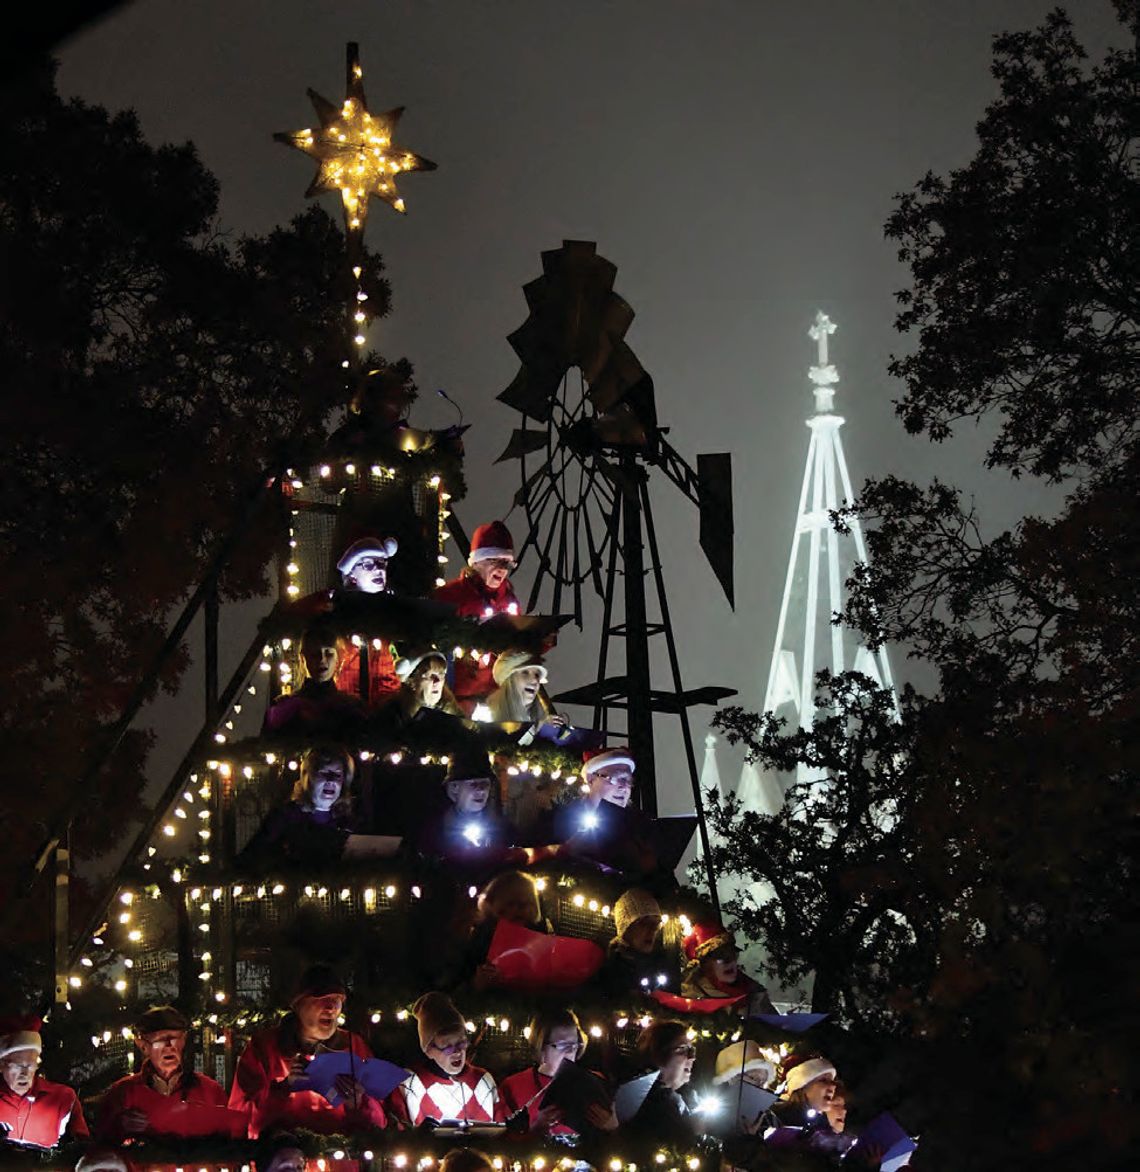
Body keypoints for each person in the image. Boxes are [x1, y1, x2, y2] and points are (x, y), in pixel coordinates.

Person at [228, 964, 389, 1137]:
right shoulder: (264, 1047)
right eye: (321, 998)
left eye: (337, 1000)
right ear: (299, 1005)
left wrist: (358, 1102)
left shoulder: (354, 1047)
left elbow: (379, 1123)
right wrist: (283, 1089)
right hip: (282, 1160)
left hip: (340, 1159)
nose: (331, 1008)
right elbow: (240, 1116)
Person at [96, 1005, 227, 1143]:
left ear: (183, 1041)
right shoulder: (122, 1094)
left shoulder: (210, 1091)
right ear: (143, 1046)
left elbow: (230, 1145)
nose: (169, 1045)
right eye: (159, 1040)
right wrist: (120, 1129)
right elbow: (101, 1149)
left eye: (174, 1038)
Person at [433, 521, 521, 703]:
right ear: (477, 562)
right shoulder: (448, 596)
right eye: (495, 560)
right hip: (455, 700)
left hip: (496, 702)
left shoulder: (510, 601)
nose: (503, 569)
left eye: (507, 563)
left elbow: (518, 651)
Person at [499, 1008, 616, 1140]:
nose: (570, 1052)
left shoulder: (595, 1083)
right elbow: (502, 1143)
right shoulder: (513, 1086)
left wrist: (612, 1127)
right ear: (541, 1047)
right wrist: (536, 1130)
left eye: (574, 1045)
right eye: (562, 1046)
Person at [239, 746, 359, 869]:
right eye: (324, 773)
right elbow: (252, 856)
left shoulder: (347, 820)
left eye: (337, 775)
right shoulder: (285, 816)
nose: (331, 780)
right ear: (307, 776)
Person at [388, 993, 500, 1125]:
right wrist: (417, 1137)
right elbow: (396, 1133)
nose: (457, 1051)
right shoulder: (408, 1083)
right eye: (447, 1046)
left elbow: (501, 1129)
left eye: (461, 1042)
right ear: (429, 1050)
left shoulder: (484, 1080)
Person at [550, 748, 658, 874]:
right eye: (615, 778)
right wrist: (569, 850)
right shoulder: (562, 819)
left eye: (628, 781)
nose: (624, 787)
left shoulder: (641, 826)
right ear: (591, 780)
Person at [0, 1016, 88, 1148]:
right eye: (18, 1065)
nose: (25, 1073)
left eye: (30, 1065)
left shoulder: (63, 1099)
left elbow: (83, 1153)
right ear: (1, 1065)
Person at [333, 536, 401, 703]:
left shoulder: (396, 612)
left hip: (388, 709)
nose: (379, 570)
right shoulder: (338, 615)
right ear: (352, 575)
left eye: (382, 564)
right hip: (348, 708)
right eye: (368, 565)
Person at [263, 624, 363, 736]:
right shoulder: (283, 707)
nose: (322, 659)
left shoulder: (350, 706)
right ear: (302, 658)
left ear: (337, 659)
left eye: (328, 653)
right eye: (315, 654)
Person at [415, 751, 514, 863]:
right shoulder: (433, 829)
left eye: (485, 784)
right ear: (454, 788)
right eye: (473, 784)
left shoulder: (501, 828)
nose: (481, 790)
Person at [626, 1020, 698, 1144]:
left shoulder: (683, 1099)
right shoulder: (644, 1101)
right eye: (682, 1050)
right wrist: (695, 1131)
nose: (692, 1057)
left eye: (692, 1050)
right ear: (658, 1054)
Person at [680, 922, 776, 1013]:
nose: (729, 961)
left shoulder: (756, 996)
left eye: (732, 954)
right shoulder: (688, 999)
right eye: (720, 956)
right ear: (705, 964)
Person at [595, 888, 677, 995]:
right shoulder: (608, 971)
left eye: (656, 924)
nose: (652, 930)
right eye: (644, 924)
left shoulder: (663, 965)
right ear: (626, 929)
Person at [710, 1040, 777, 1136]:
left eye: (763, 1081)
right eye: (754, 1078)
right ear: (732, 1078)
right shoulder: (711, 1114)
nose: (759, 1086)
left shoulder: (768, 1118)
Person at [770, 1054, 838, 1128]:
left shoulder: (823, 1126)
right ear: (802, 1087)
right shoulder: (773, 1120)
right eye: (823, 1080)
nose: (833, 1086)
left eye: (832, 1081)